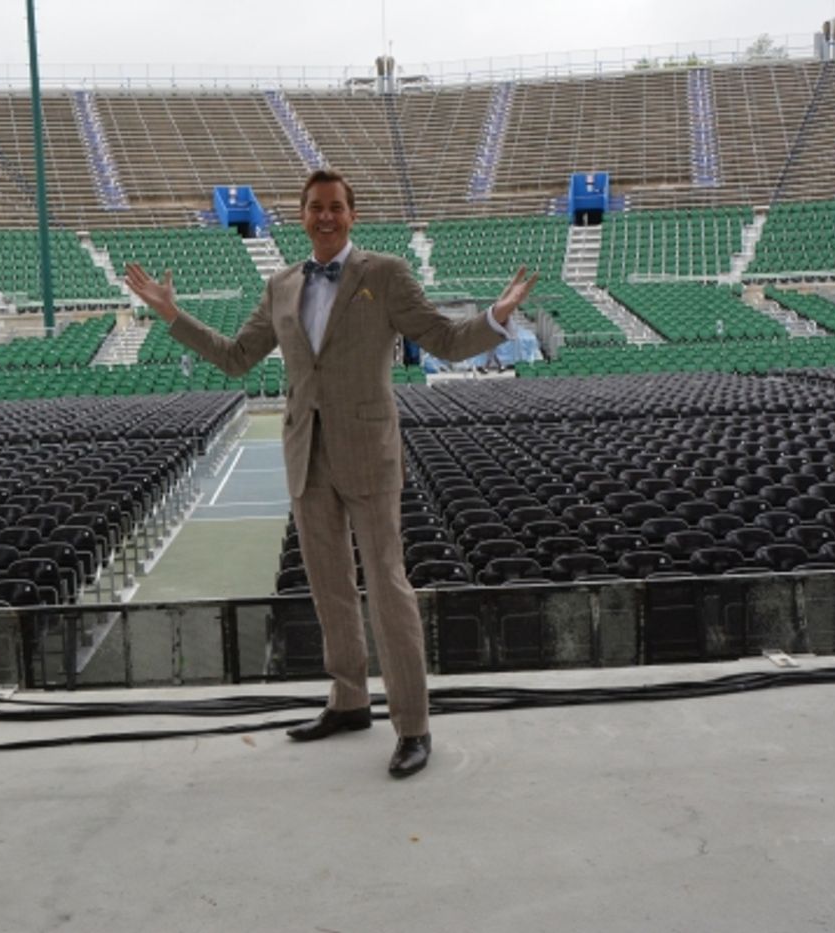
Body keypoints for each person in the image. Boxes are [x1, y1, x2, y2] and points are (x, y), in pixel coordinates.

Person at [125, 169, 537, 778]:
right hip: (306, 452)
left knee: (388, 586)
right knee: (329, 588)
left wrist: (495, 320)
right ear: (302, 215)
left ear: (352, 214)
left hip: (369, 449)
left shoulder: (386, 274)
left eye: (336, 207)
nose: (326, 216)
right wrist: (172, 315)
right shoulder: (282, 284)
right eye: (315, 207)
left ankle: (413, 725)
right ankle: (347, 701)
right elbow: (238, 359)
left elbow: (445, 340)